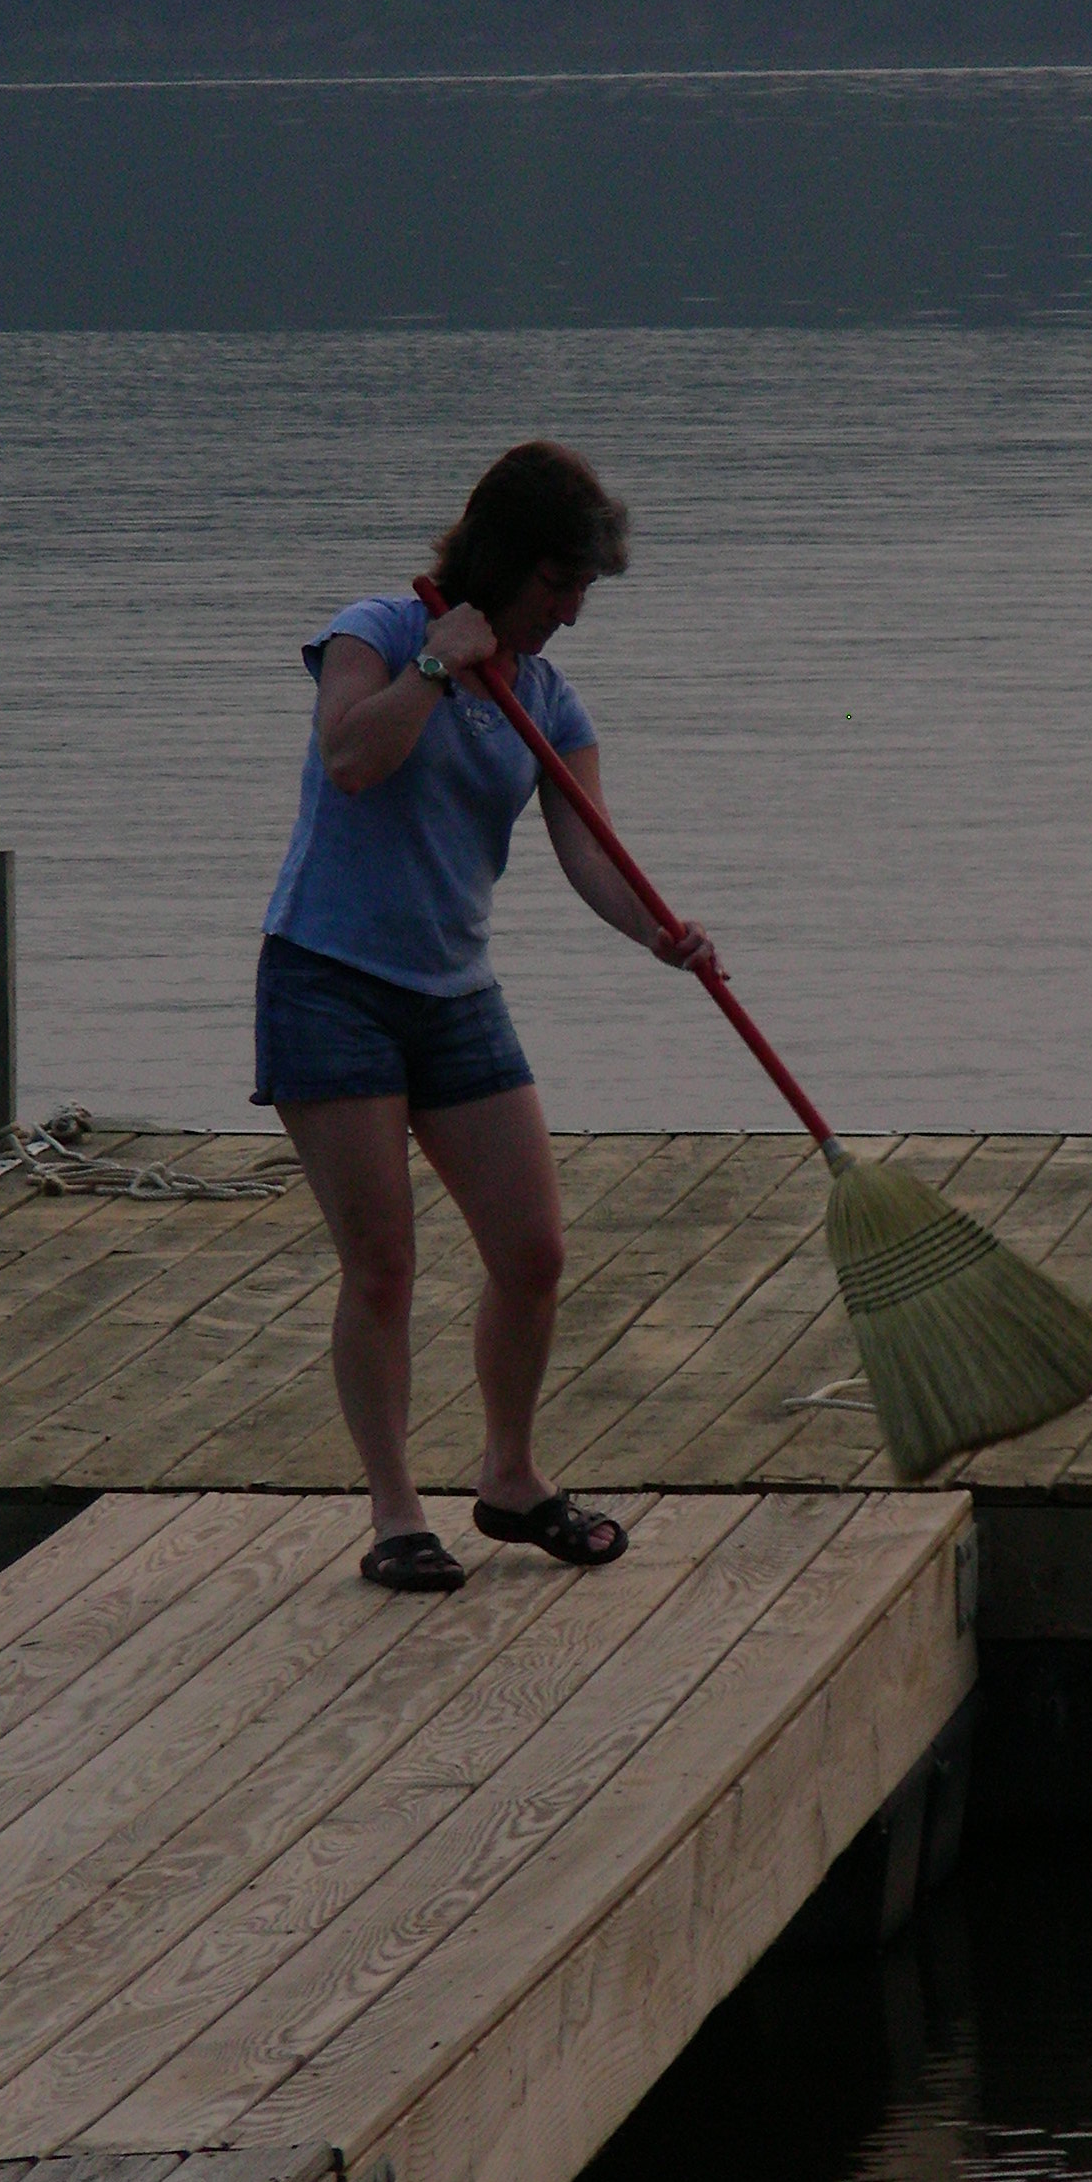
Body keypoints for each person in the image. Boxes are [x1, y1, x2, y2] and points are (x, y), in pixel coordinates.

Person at [254, 440, 717, 1590]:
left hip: (456, 994)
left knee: (534, 1249)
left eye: (583, 592)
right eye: (560, 587)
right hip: (329, 980)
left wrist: (663, 934)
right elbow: (351, 760)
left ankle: (510, 1479)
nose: (571, 613)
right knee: (383, 1263)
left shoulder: (551, 701)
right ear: (507, 563)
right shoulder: (372, 630)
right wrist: (438, 673)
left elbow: (589, 856)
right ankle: (396, 1511)